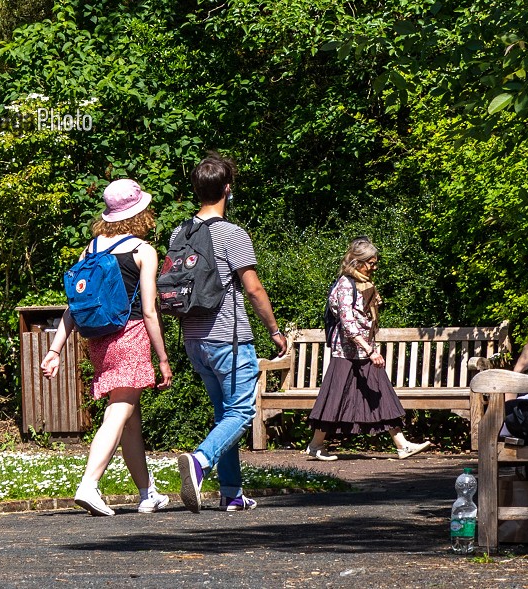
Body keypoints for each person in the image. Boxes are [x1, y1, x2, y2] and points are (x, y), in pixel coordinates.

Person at [41, 178, 173, 516]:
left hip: (98, 342)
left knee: (130, 417)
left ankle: (147, 493)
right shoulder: (143, 251)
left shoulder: (92, 249)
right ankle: (89, 484)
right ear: (140, 213)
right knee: (118, 413)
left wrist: (55, 349)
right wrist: (162, 358)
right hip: (130, 338)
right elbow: (148, 311)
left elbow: (75, 304)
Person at [174, 153, 289, 513]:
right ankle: (200, 462)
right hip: (229, 337)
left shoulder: (180, 232)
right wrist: (274, 330)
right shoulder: (232, 234)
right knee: (241, 412)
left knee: (224, 414)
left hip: (193, 338)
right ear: (227, 189)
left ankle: (232, 492)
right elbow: (253, 289)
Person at [304, 237, 430, 461]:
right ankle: (315, 445)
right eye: (371, 263)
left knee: (381, 394)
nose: (374, 267)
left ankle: (402, 445)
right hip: (347, 352)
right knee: (334, 398)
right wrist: (371, 351)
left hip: (362, 351)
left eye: (375, 262)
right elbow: (348, 324)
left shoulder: (362, 283)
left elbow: (362, 316)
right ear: (357, 262)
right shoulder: (344, 284)